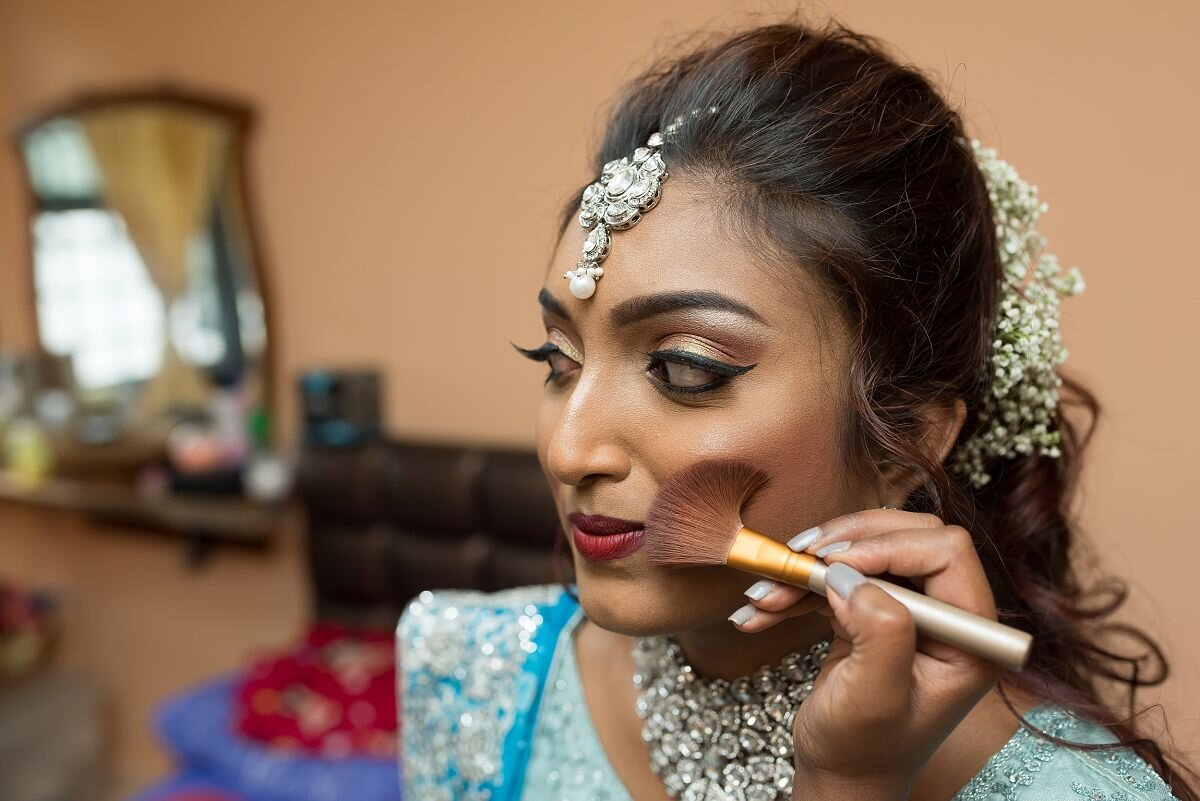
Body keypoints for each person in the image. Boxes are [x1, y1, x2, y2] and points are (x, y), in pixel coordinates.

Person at [397, 18, 1195, 801]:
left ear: (904, 441)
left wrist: (848, 783)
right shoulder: (469, 670)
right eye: (557, 361)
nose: (569, 450)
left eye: (685, 369)